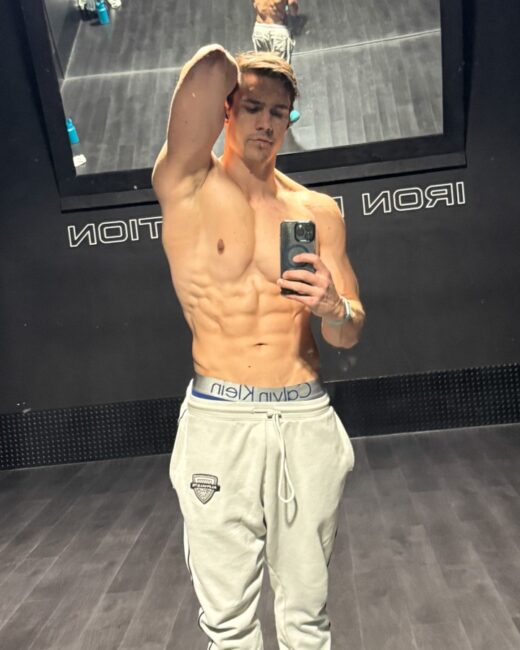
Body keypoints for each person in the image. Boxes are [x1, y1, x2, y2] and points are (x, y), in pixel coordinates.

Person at [152, 44, 365, 650]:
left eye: (279, 112)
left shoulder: (317, 212)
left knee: (307, 618)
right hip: (221, 418)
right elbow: (207, 68)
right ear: (226, 110)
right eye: (252, 107)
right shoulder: (186, 184)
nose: (267, 123)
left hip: (304, 415)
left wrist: (333, 306)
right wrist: (248, 62)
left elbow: (348, 330)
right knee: (228, 625)